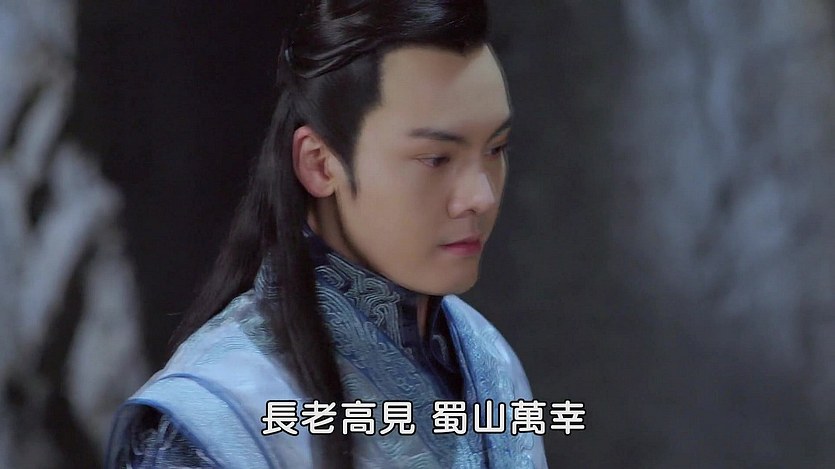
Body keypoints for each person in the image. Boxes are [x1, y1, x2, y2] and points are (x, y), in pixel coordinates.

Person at [105, 1, 547, 467]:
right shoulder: (219, 417)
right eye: (436, 159)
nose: (480, 197)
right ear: (320, 164)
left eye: (496, 149)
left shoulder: (488, 357)